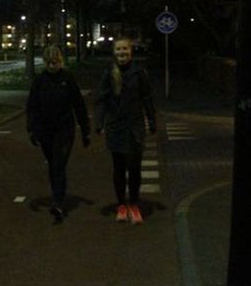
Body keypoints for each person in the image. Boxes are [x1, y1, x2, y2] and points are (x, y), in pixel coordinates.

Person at [94, 37, 156, 225]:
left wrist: (152, 121)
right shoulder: (109, 73)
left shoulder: (139, 73)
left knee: (135, 168)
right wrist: (99, 122)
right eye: (119, 49)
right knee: (119, 168)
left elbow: (147, 97)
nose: (122, 53)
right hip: (116, 127)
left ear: (131, 51)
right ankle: (122, 204)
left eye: (125, 49)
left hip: (135, 127)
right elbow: (102, 99)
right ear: (114, 52)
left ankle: (134, 204)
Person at [26, 45, 90, 221]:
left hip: (64, 129)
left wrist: (86, 131)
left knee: (59, 164)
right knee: (53, 164)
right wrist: (31, 129)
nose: (52, 66)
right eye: (49, 63)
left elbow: (78, 105)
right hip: (46, 130)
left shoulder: (68, 79)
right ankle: (57, 194)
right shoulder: (40, 81)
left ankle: (58, 201)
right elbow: (32, 107)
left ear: (61, 61)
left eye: (55, 62)